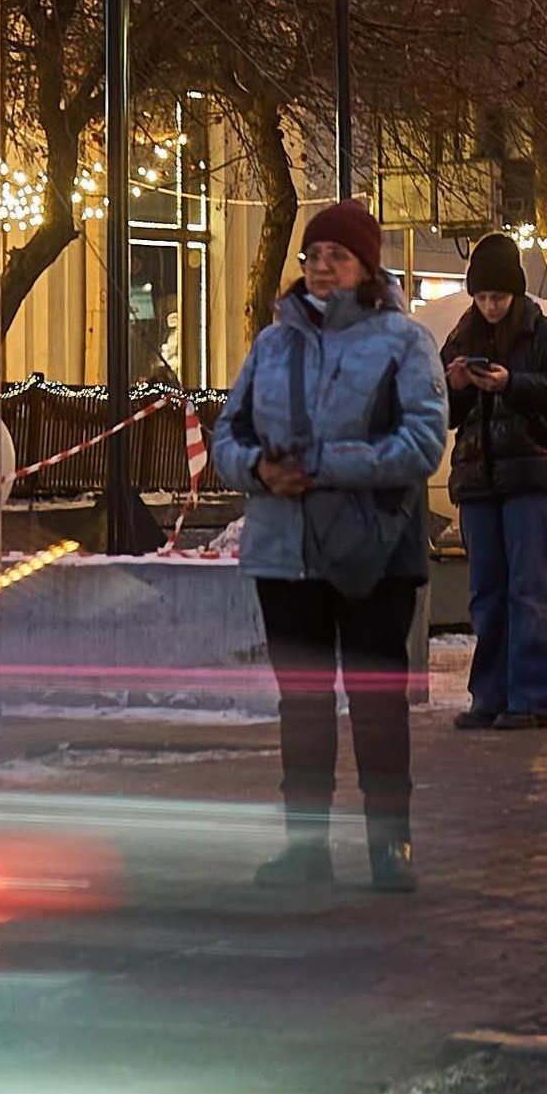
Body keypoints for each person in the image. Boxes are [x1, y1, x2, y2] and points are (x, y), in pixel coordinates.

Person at [212, 201, 449, 891]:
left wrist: (321, 467)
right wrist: (259, 470)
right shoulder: (271, 343)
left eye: (336, 254)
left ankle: (389, 845)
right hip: (284, 552)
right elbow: (229, 433)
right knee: (304, 704)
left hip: (372, 551)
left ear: (366, 266)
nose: (320, 265)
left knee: (376, 702)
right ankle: (306, 846)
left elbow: (422, 445)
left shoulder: (404, 343)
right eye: (312, 253)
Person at [441, 230, 547, 731]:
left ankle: (531, 699)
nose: (489, 306)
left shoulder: (544, 331)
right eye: (483, 296)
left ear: (515, 292)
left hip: (531, 475)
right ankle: (489, 696)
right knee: (486, 591)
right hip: (479, 479)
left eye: (498, 296)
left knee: (529, 588)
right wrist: (456, 386)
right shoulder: (463, 335)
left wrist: (515, 383)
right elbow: (443, 411)